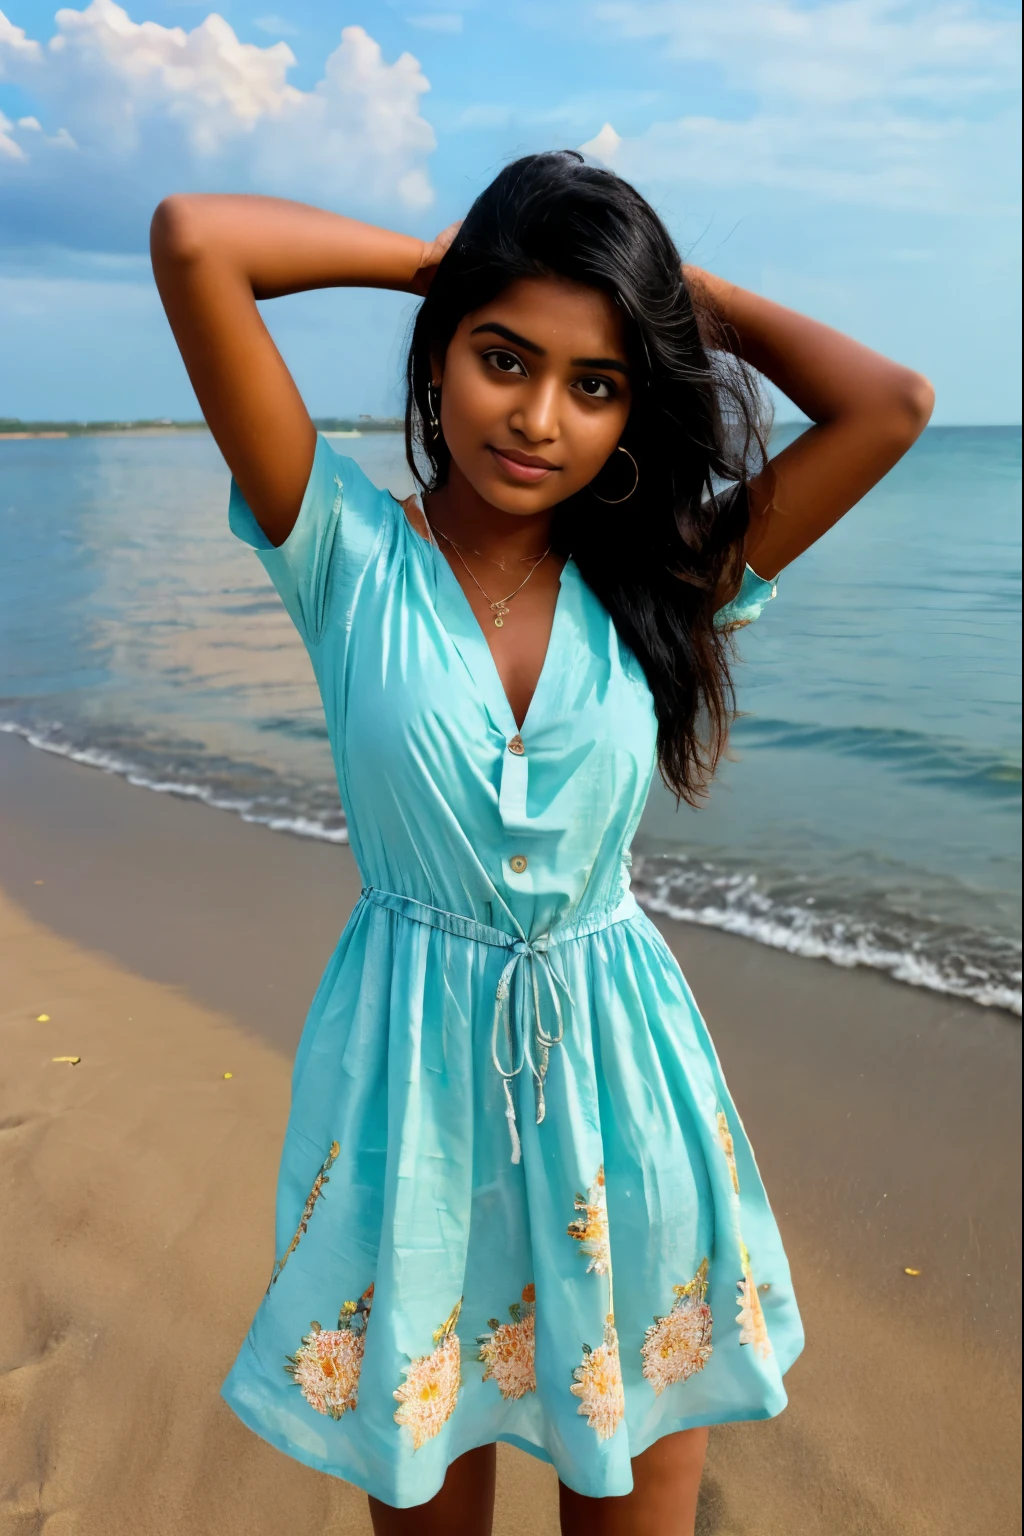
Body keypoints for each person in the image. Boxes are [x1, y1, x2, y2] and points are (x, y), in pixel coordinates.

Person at [150, 151, 933, 1535]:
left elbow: (891, 405)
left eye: (596, 382)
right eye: (501, 356)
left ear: (636, 402)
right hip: (410, 1112)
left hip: (624, 1106)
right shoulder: (339, 550)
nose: (538, 417)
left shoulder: (668, 578)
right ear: (439, 352)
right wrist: (444, 258)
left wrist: (674, 300)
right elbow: (197, 239)